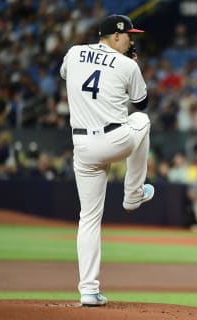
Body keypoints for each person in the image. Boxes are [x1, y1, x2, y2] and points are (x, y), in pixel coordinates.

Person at [60, 14, 154, 306]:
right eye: (128, 35)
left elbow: (65, 74)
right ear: (115, 35)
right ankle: (133, 194)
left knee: (87, 219)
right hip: (114, 140)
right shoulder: (127, 64)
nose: (131, 40)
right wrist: (130, 67)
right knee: (141, 120)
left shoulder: (75, 52)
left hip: (83, 146)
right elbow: (141, 102)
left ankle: (88, 290)